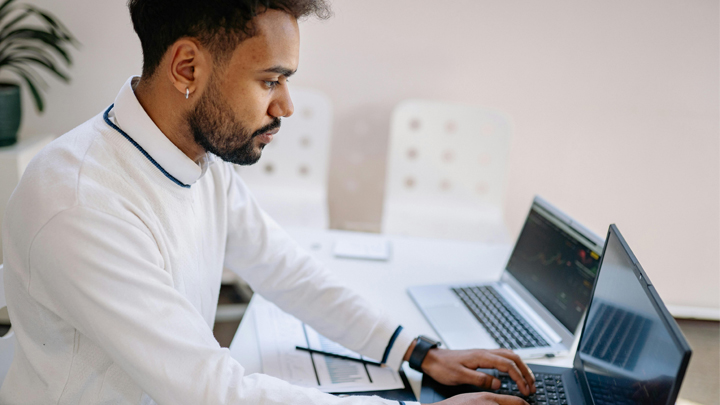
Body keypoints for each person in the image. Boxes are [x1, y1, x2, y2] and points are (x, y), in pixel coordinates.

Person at [0, 1, 537, 404]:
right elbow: (213, 391)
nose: (287, 105)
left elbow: (286, 270)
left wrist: (418, 352)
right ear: (187, 68)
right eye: (270, 80)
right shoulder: (81, 202)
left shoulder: (194, 156)